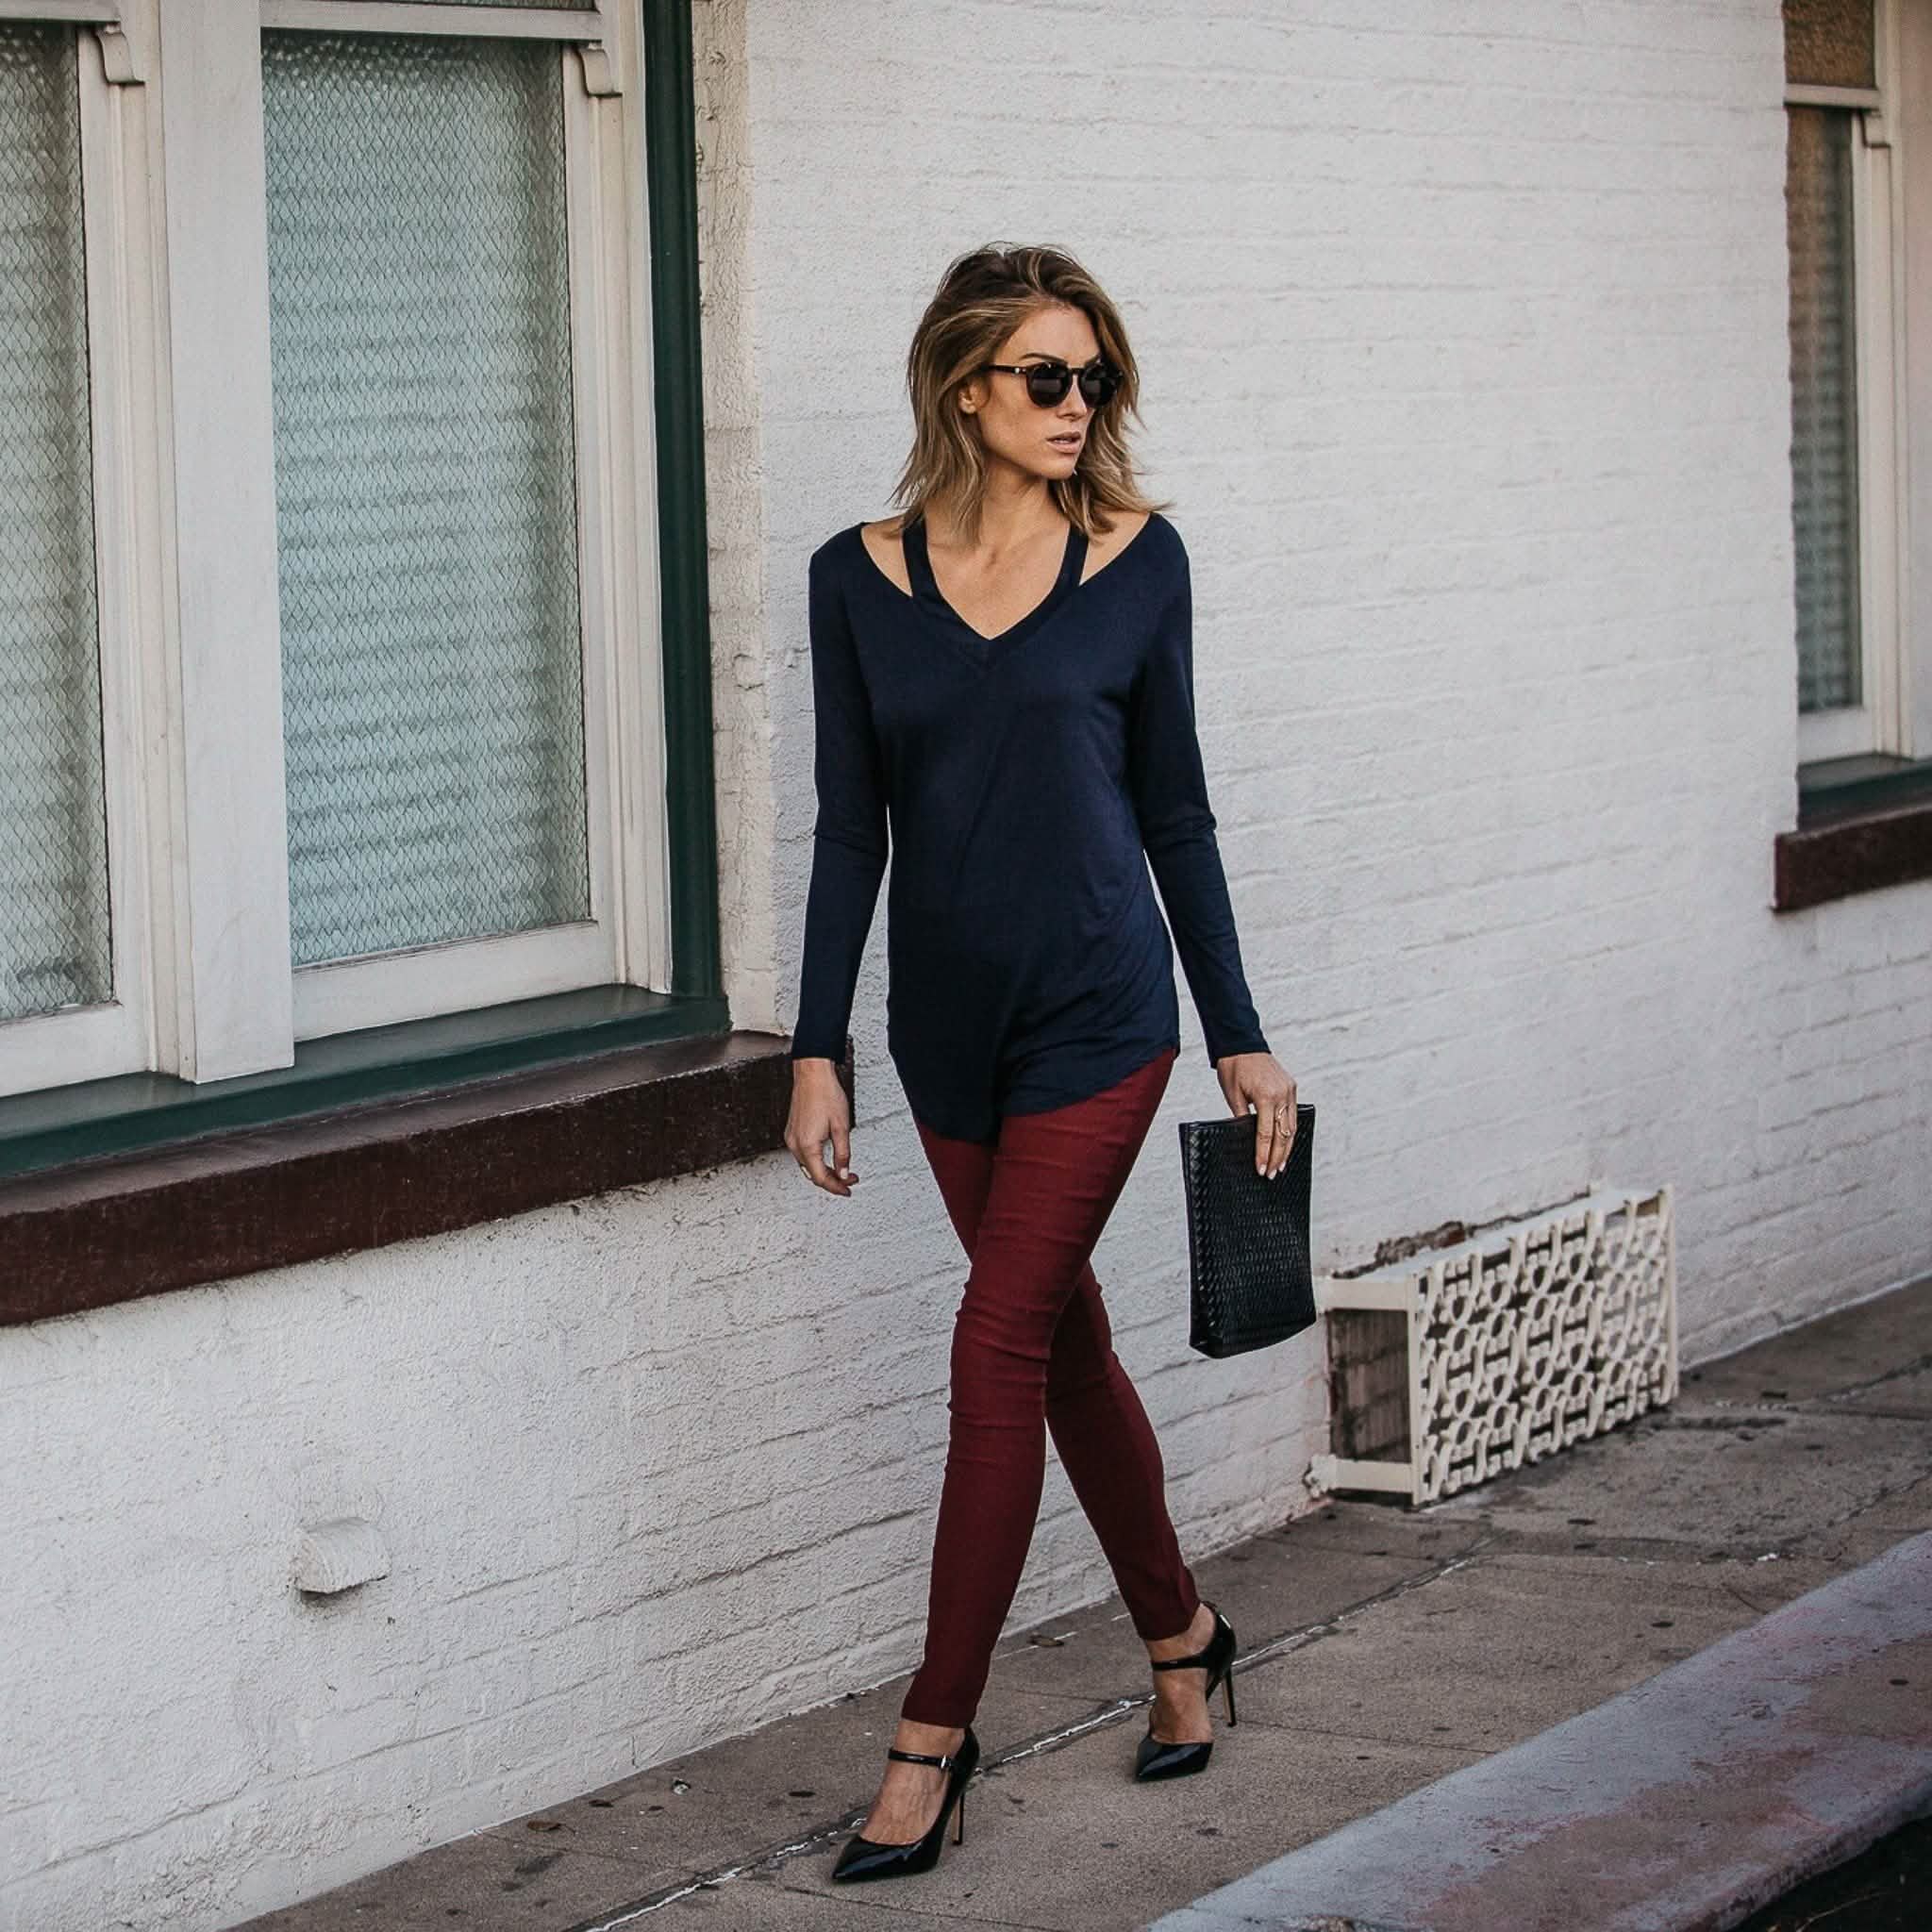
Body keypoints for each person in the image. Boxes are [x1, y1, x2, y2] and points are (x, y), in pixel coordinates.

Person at [785, 243, 1297, 1883]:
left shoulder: (1142, 565)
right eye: (1049, 379)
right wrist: (818, 1046)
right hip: (947, 1038)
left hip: (1099, 1017)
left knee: (996, 1339)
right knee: (1061, 1348)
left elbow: (1177, 813)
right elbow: (849, 829)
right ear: (964, 388)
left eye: (1099, 380)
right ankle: (1188, 1639)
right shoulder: (857, 578)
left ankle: (933, 1738)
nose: (1084, 407)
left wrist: (1239, 1032)